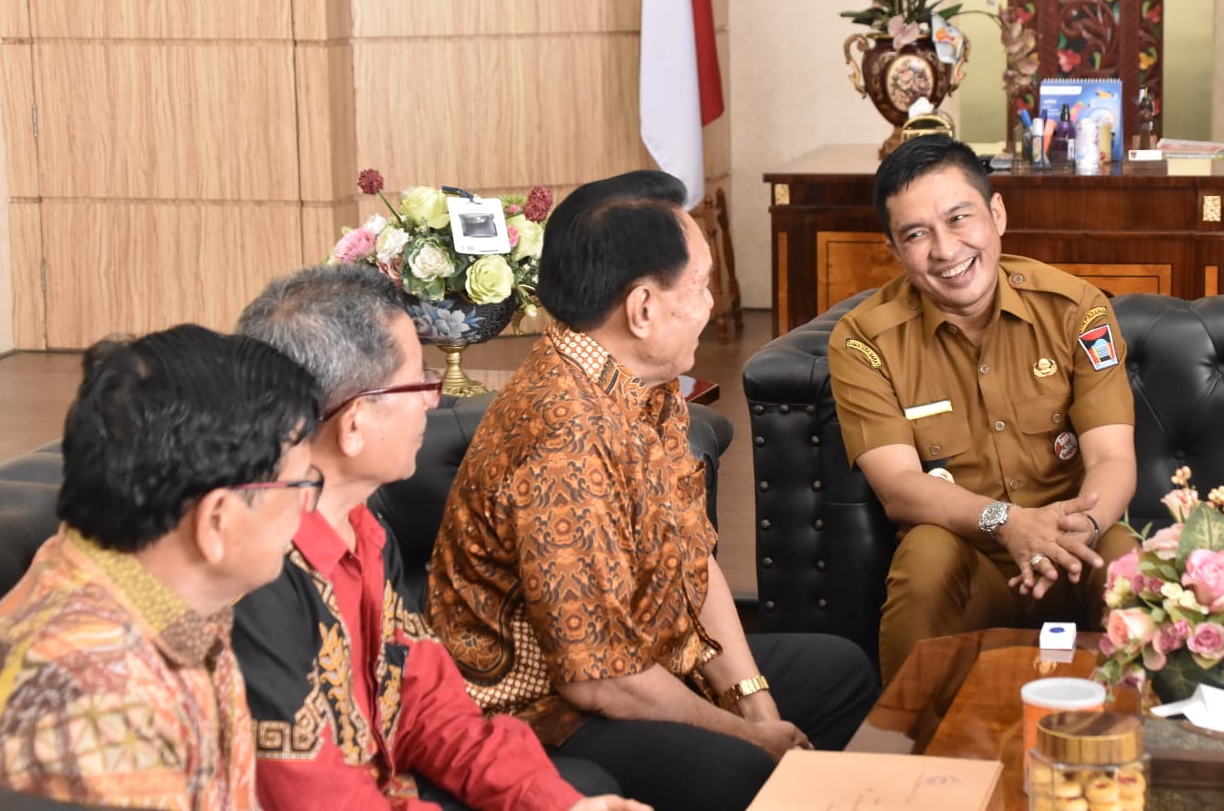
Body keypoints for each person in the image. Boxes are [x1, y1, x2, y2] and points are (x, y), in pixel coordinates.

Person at [426, 171, 879, 811]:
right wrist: (751, 739)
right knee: (737, 769)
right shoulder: (563, 438)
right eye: (699, 286)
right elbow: (601, 681)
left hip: (651, 660)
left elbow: (692, 555)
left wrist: (754, 699)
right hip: (547, 714)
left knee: (840, 673)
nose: (711, 303)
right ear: (642, 309)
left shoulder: (646, 381)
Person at [235, 265, 644, 811]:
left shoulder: (363, 528)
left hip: (387, 789)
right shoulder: (257, 575)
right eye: (419, 381)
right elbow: (315, 796)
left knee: (586, 788)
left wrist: (556, 805)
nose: (433, 400)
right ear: (353, 424)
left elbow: (430, 708)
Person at [827, 134, 1138, 681]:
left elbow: (1112, 457)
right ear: (895, 251)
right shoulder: (864, 341)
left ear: (996, 213)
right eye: (917, 235)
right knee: (925, 553)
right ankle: (904, 747)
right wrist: (1006, 524)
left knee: (1126, 561)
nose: (945, 251)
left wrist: (1073, 531)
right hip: (969, 561)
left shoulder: (1076, 310)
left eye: (959, 219)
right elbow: (898, 487)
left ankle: (1143, 741)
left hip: (1075, 548)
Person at [0, 325, 323, 808]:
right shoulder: (97, 706)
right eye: (299, 487)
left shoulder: (169, 603)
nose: (308, 509)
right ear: (217, 520)